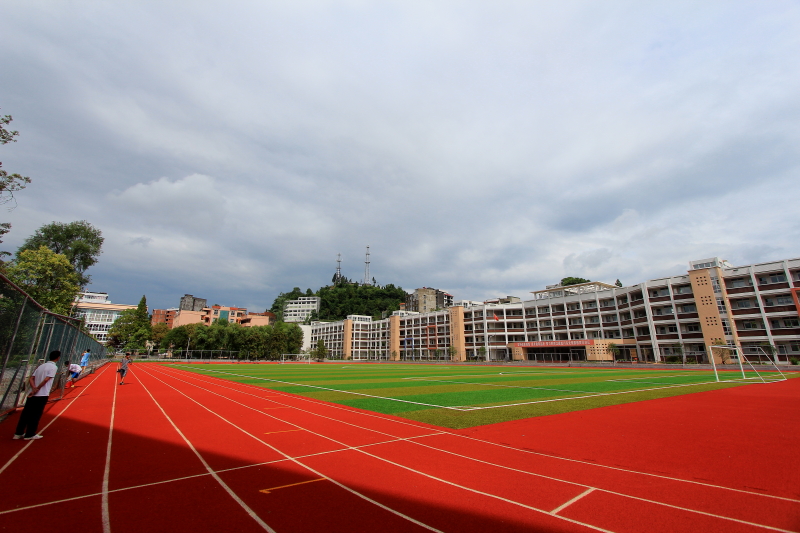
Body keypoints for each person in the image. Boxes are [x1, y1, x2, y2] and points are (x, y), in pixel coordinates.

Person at [13, 350, 61, 440]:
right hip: (42, 394)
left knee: (25, 414)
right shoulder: (53, 367)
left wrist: (33, 388)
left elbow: (31, 378)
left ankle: (18, 433)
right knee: (36, 415)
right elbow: (46, 379)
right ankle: (30, 434)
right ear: (58, 358)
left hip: (32, 394)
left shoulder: (41, 366)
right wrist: (37, 389)